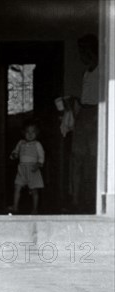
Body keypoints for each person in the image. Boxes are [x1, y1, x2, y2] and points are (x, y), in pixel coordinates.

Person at [70, 34, 99, 213]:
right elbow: (85, 98)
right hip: (84, 114)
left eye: (84, 50)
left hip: (96, 114)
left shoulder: (102, 72)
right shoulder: (86, 73)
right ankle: (76, 200)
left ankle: (90, 201)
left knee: (92, 159)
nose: (82, 55)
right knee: (78, 158)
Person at [8, 120, 45, 214]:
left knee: (34, 190)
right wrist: (14, 155)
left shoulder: (37, 144)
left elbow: (41, 155)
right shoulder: (21, 143)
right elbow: (15, 152)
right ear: (23, 133)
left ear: (37, 133)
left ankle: (35, 209)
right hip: (22, 169)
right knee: (17, 187)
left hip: (33, 169)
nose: (30, 134)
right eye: (28, 132)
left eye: (33, 132)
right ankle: (15, 206)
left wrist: (39, 163)